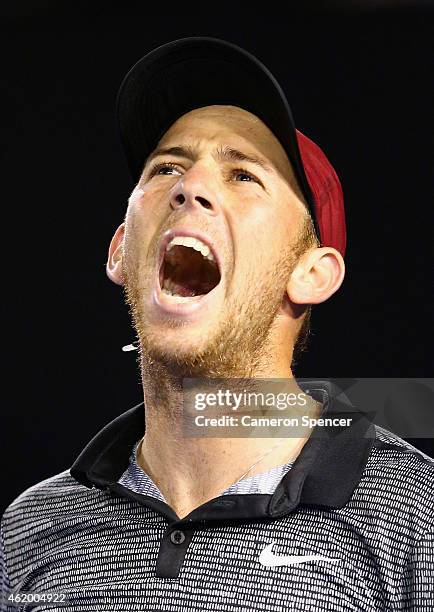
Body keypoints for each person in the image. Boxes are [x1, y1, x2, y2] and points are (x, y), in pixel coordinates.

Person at [1, 37, 433, 611]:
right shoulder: (29, 527)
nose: (190, 186)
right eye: (167, 167)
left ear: (312, 274)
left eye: (243, 175)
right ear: (121, 250)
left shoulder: (415, 516)